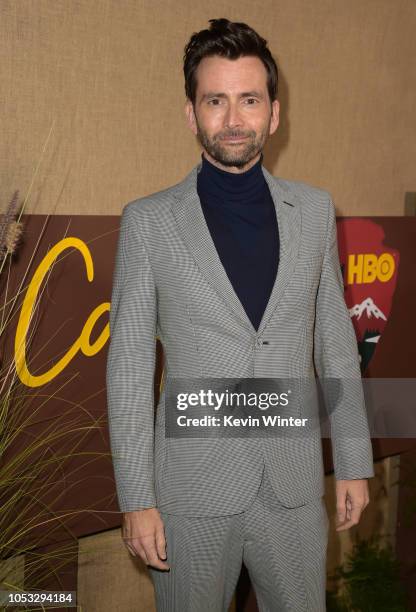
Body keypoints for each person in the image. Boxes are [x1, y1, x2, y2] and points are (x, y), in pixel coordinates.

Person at [106, 17, 374, 612]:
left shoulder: (313, 210)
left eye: (249, 100)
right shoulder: (148, 223)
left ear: (273, 114)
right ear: (191, 113)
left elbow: (335, 341)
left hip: (293, 486)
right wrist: (136, 498)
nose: (233, 119)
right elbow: (126, 370)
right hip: (189, 492)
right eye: (216, 101)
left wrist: (353, 460)